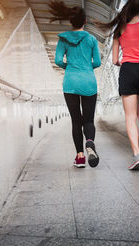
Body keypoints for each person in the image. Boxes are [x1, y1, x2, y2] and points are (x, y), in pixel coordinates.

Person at [98, 0, 139, 170]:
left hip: (128, 70)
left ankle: (136, 154)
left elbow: (114, 60)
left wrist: (121, 62)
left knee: (130, 116)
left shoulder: (119, 30)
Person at [49, 1, 101, 168]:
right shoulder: (91, 39)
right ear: (85, 21)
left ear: (71, 21)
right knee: (89, 120)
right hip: (88, 82)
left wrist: (70, 67)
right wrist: (86, 67)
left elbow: (58, 60)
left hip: (70, 82)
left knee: (76, 121)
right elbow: (98, 62)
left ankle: (79, 157)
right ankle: (90, 143)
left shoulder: (63, 39)